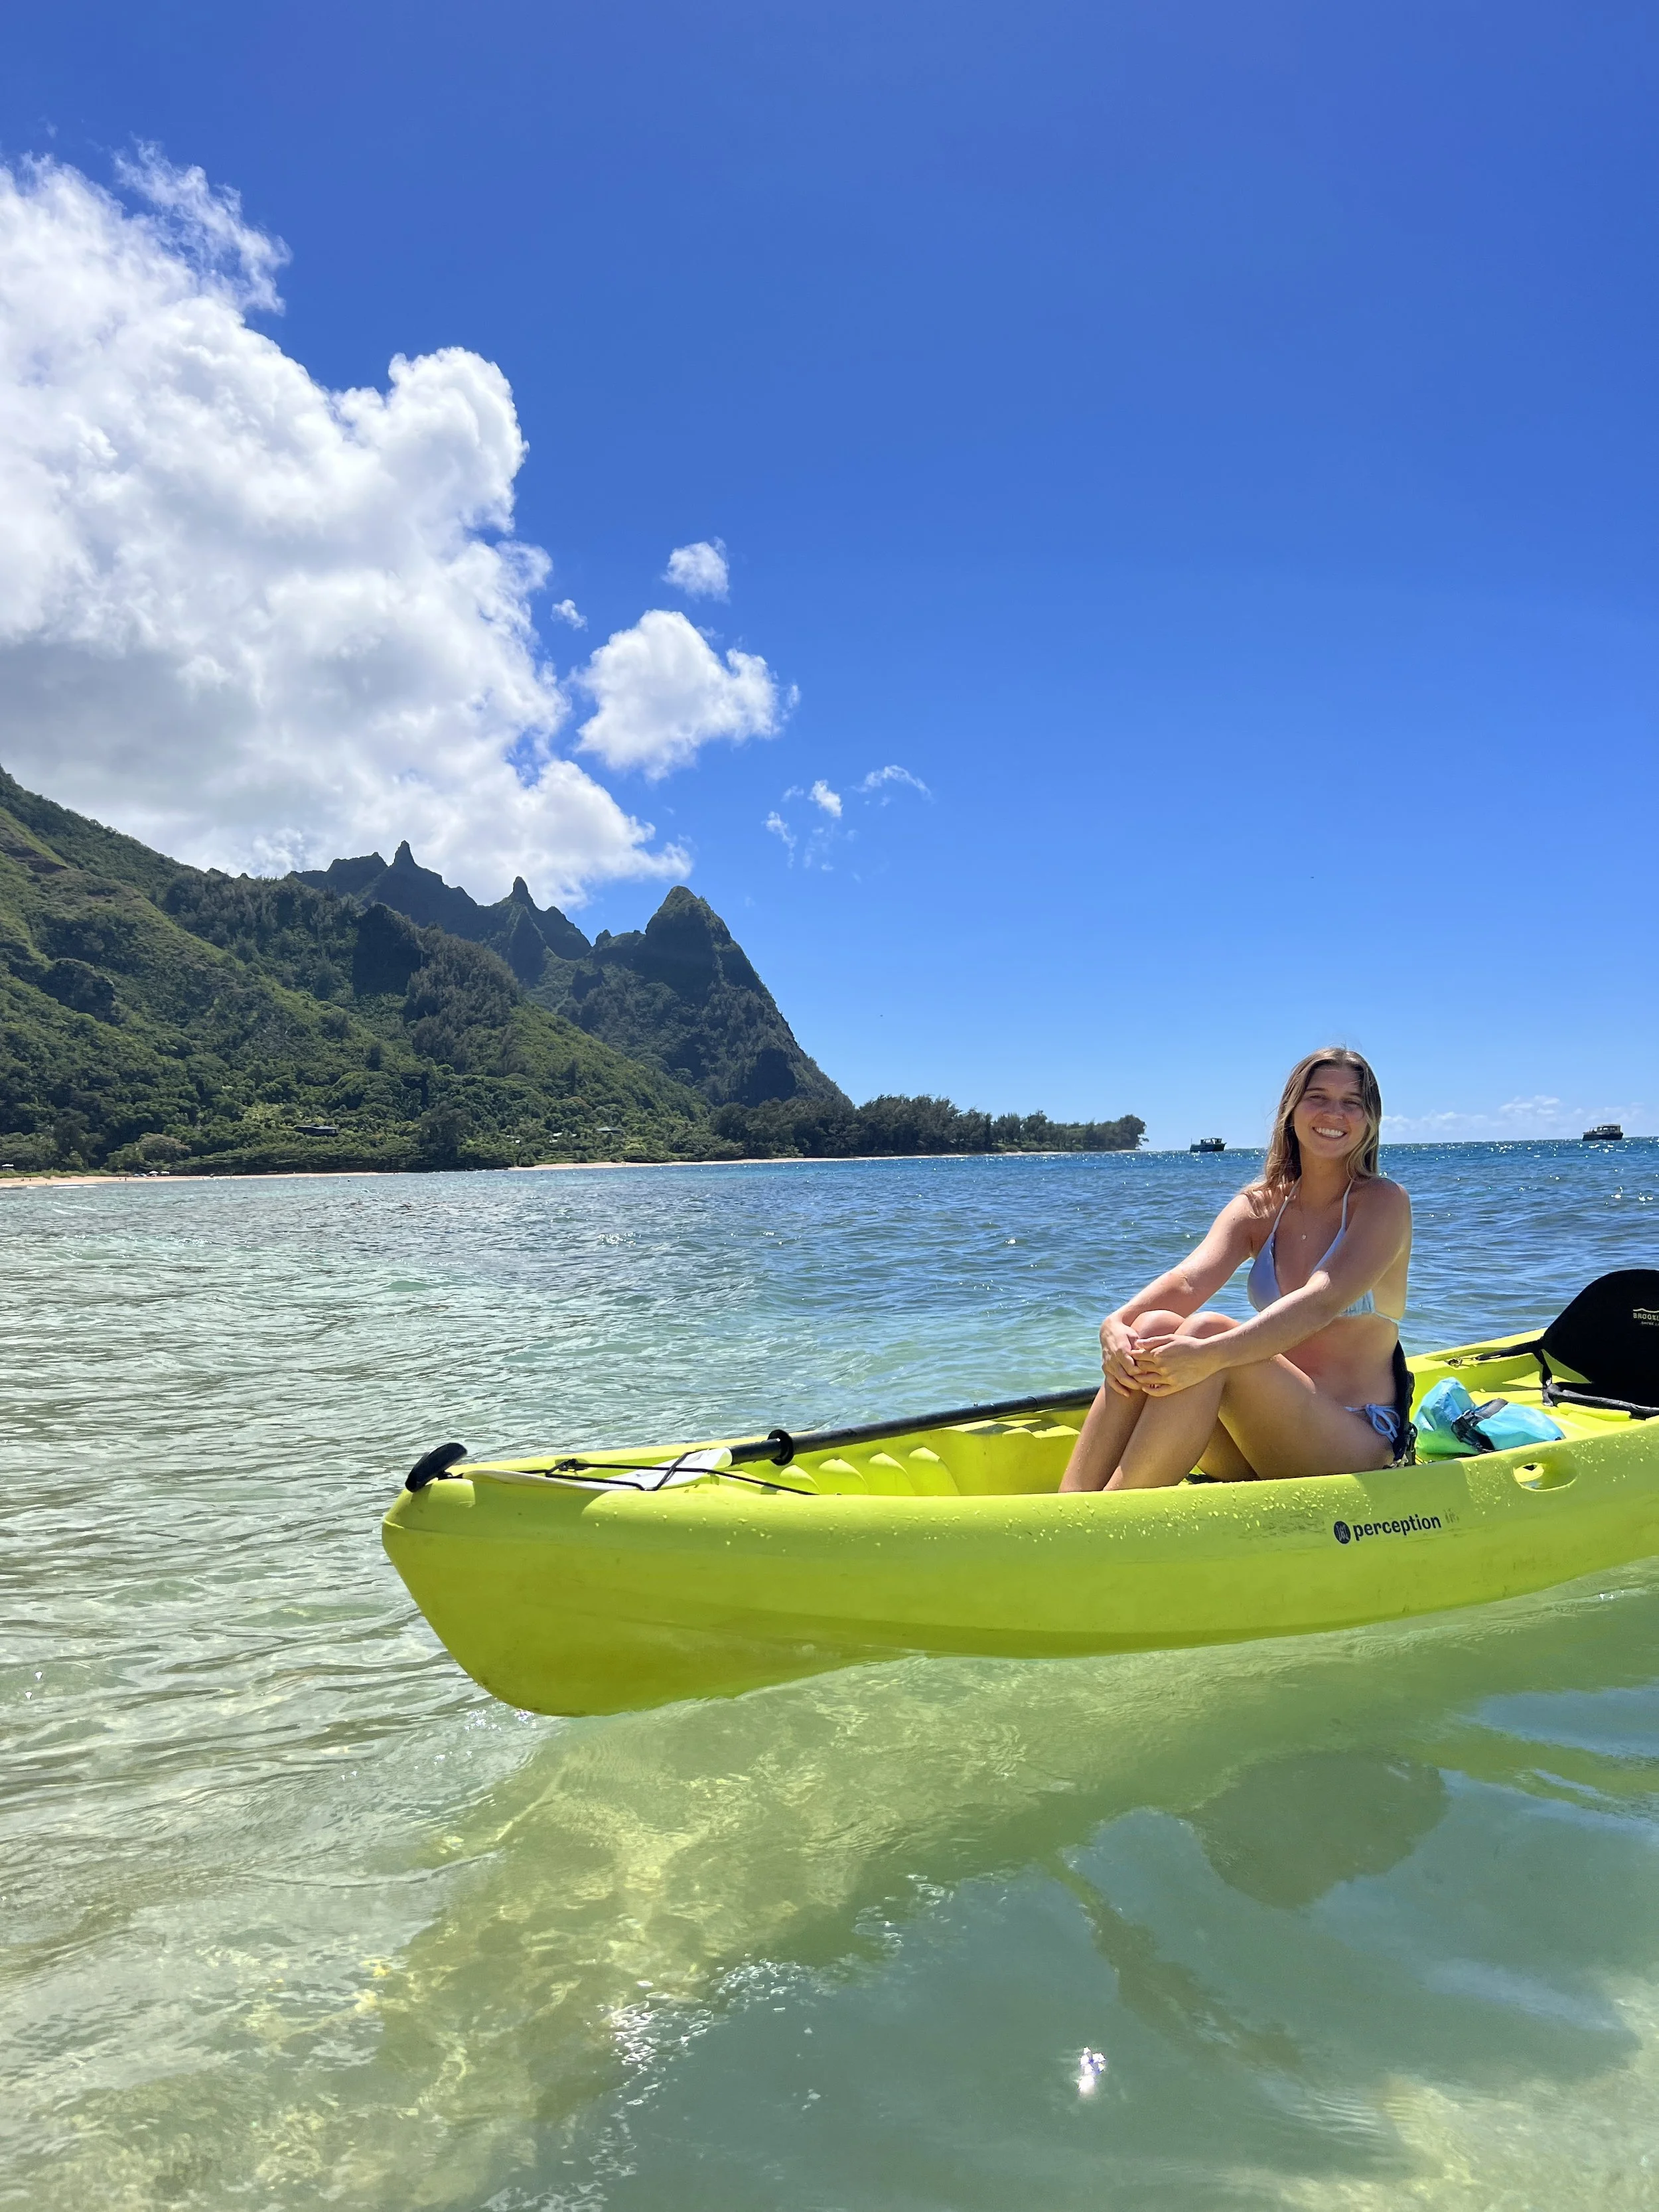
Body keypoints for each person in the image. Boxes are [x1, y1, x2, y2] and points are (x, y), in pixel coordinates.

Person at [1060, 1048, 1411, 1491]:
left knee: (1206, 1332)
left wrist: (1210, 1354)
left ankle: (1107, 1523)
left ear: (1370, 1119)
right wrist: (1114, 1325)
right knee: (1150, 1328)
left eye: (1351, 1103)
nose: (1333, 1113)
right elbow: (1188, 1280)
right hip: (1258, 1440)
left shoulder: (1383, 1203)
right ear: (1291, 1109)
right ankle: (1068, 1510)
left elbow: (1322, 1300)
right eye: (1318, 1097)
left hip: (1352, 1440)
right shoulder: (1261, 1205)